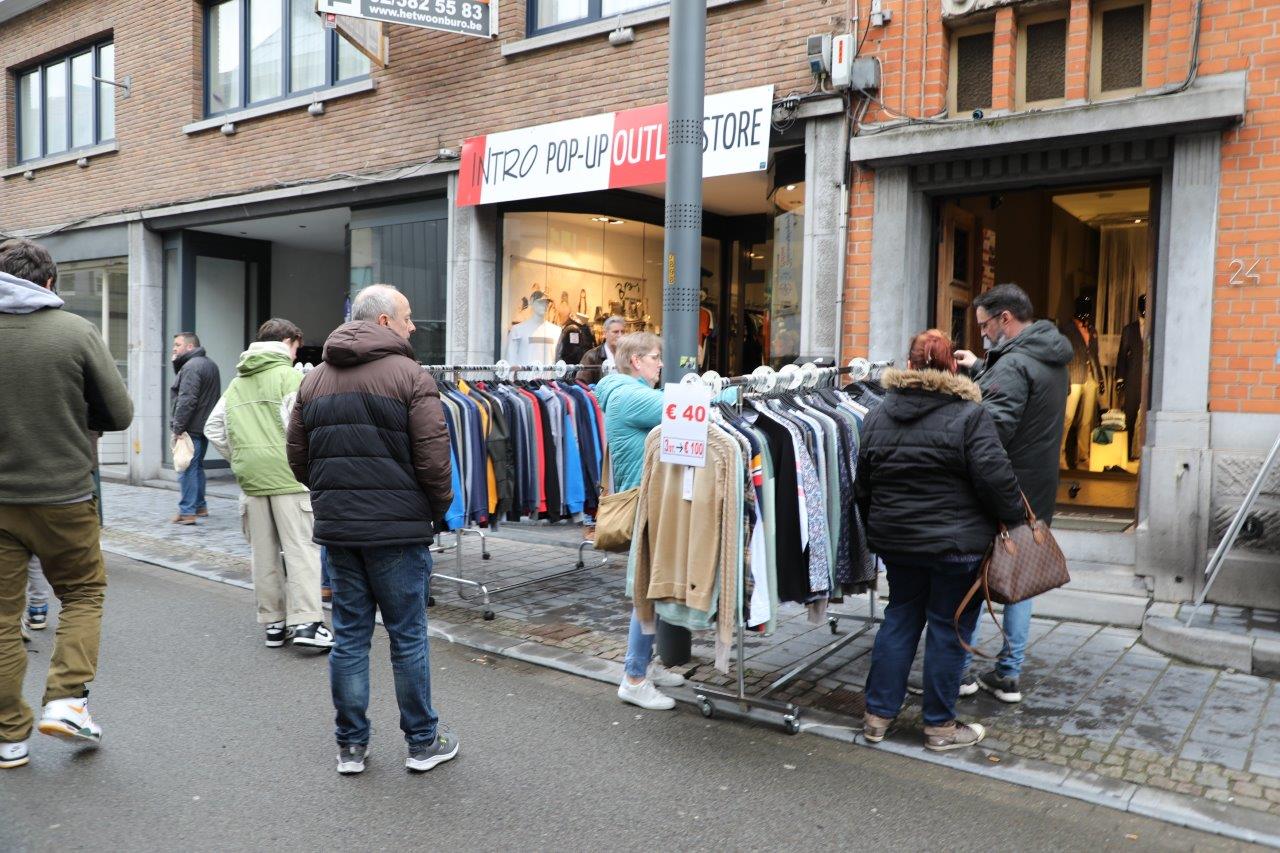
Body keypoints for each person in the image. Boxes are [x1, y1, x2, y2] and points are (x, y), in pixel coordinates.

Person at [286, 284, 457, 776]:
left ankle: (351, 747)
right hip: (399, 531)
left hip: (340, 531)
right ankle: (422, 742)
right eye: (407, 316)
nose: (413, 326)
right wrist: (433, 511)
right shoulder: (412, 377)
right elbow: (434, 461)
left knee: (349, 638)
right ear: (383, 321)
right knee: (407, 637)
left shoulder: (315, 380)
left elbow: (298, 456)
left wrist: (333, 497)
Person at [857, 330, 1024, 751]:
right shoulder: (970, 415)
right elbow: (997, 480)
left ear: (910, 365)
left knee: (900, 619)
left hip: (898, 542)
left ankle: (877, 717)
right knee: (948, 629)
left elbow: (863, 485)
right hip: (956, 547)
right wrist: (1014, 520)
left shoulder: (877, 415)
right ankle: (939, 727)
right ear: (952, 366)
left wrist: (878, 529)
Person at [0, 238, 133, 769]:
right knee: (82, 593)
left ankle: (9, 736)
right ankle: (66, 701)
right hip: (65, 495)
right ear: (49, 283)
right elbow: (119, 414)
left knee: (2, 618)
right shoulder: (76, 332)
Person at [955, 283, 1072, 703]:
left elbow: (993, 430)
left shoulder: (1014, 365)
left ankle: (958, 672)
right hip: (1036, 488)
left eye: (985, 324)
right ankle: (1009, 673)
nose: (982, 332)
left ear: (1005, 318)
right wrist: (979, 368)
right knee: (1021, 578)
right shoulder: (1050, 357)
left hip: (1003, 490)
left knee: (974, 579)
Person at [205, 318, 332, 651]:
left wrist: (242, 457)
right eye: (296, 348)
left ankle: (274, 624)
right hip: (290, 479)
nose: (296, 354)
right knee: (301, 551)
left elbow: (213, 428)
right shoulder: (291, 378)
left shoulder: (237, 383)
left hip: (252, 481)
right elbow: (302, 428)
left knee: (264, 555)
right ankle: (307, 623)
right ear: (288, 342)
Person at [594, 332, 686, 711]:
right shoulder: (631, 396)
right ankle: (634, 678)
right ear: (635, 361)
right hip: (646, 504)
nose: (661, 364)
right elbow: (687, 408)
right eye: (654, 357)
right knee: (647, 590)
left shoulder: (625, 392)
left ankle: (645, 665)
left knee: (653, 587)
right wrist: (730, 392)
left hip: (652, 500)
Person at [170, 332, 221, 524]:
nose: (174, 348)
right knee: (196, 466)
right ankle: (200, 506)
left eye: (178, 345)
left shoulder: (191, 366)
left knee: (186, 468)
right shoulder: (210, 364)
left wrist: (178, 428)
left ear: (190, 347)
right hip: (204, 425)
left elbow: (187, 400)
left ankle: (187, 511)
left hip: (190, 426)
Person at [579, 315, 626, 385]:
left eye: (622, 332)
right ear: (605, 333)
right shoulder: (591, 356)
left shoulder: (628, 355)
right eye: (616, 332)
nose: (620, 335)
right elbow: (582, 384)